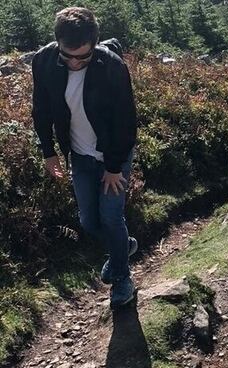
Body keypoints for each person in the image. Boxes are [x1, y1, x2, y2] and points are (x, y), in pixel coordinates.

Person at [32, 7, 138, 309]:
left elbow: (126, 122)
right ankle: (123, 246)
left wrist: (114, 167)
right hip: (79, 155)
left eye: (83, 57)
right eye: (68, 57)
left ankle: (122, 280)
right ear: (58, 43)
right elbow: (41, 109)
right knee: (89, 220)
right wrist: (49, 152)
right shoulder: (44, 61)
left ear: (95, 43)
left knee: (111, 216)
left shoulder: (111, 66)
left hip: (113, 154)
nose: (75, 63)